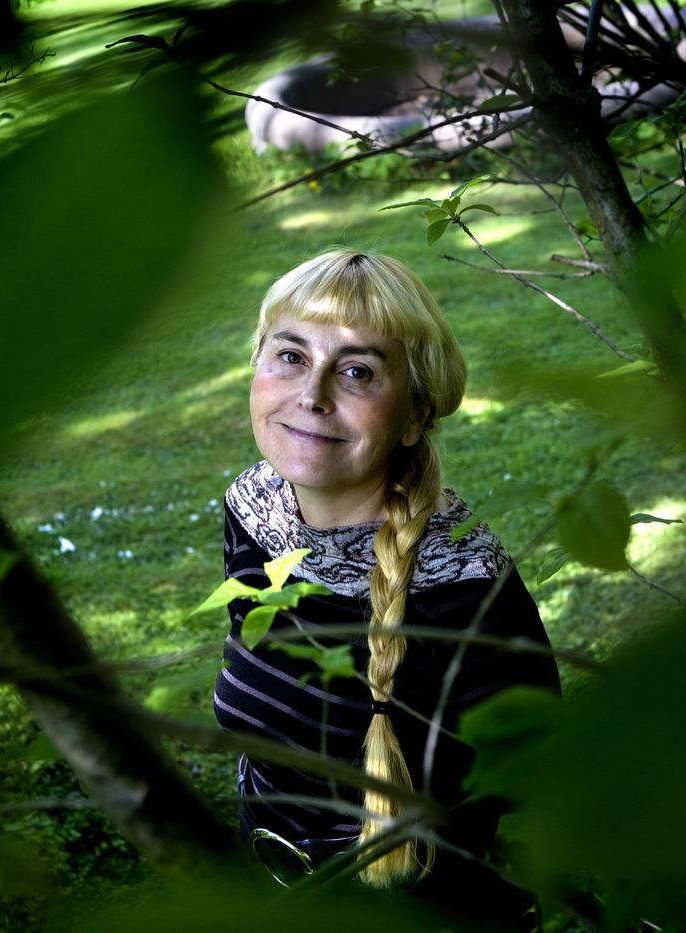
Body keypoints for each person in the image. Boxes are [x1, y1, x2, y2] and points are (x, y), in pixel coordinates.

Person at [212, 249, 560, 922]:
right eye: (290, 355)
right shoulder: (253, 506)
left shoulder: (464, 589)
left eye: (357, 371)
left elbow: (528, 771)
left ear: (413, 415)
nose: (312, 395)